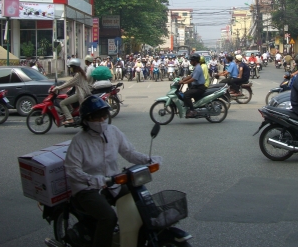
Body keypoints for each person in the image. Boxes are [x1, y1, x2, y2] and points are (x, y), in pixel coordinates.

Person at [64, 96, 161, 247]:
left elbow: (129, 153)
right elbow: (72, 169)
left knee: (140, 204)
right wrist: (93, 180)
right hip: (87, 188)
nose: (102, 120)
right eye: (97, 117)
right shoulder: (79, 140)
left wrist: (148, 160)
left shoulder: (113, 131)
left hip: (113, 182)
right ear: (87, 120)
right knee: (108, 217)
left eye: (104, 116)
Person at [53, 58, 92, 124]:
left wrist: (58, 88)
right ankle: (71, 112)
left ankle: (69, 118)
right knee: (67, 99)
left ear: (74, 67)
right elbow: (74, 83)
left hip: (80, 94)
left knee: (62, 103)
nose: (70, 68)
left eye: (71, 67)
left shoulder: (78, 75)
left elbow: (69, 83)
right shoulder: (81, 73)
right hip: (83, 93)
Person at [178, 53, 206, 118]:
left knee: (186, 94)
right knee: (186, 93)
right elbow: (190, 76)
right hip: (196, 87)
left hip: (199, 88)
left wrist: (184, 82)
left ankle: (192, 110)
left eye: (191, 60)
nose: (190, 62)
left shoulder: (198, 68)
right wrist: (183, 80)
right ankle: (189, 108)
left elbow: (193, 79)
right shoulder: (196, 67)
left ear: (195, 61)